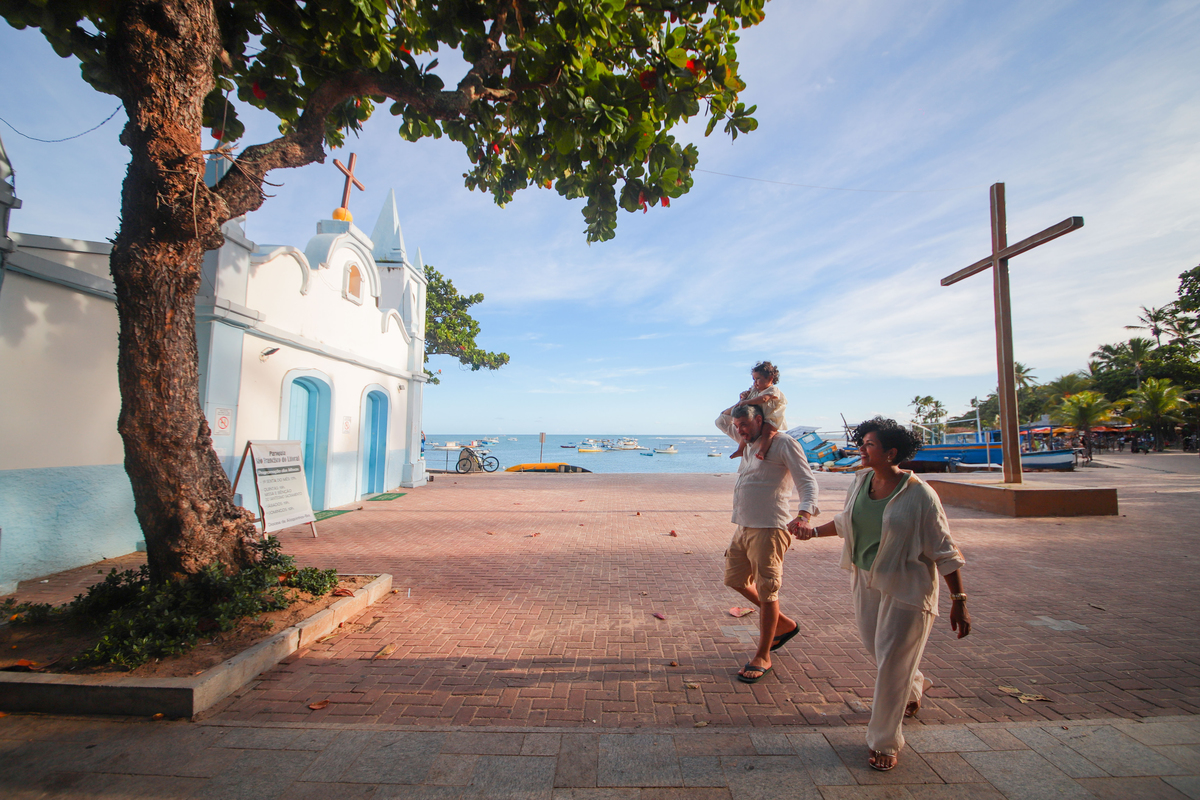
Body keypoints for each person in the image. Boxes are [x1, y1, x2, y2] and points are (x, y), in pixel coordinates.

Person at [789, 417, 970, 772]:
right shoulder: (861, 480)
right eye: (863, 443)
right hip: (865, 578)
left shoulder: (919, 494)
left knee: (890, 663)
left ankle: (884, 740)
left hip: (908, 585)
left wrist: (959, 602)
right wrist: (811, 533)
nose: (861, 450)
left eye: (869, 445)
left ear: (891, 453)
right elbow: (846, 522)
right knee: (879, 649)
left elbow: (944, 550)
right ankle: (913, 686)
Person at [716, 401, 818, 684]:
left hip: (770, 528)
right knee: (734, 579)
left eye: (745, 425)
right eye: (737, 427)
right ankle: (784, 624)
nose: (740, 431)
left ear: (761, 420)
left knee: (768, 591)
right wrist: (744, 400)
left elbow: (807, 482)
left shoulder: (783, 443)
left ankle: (763, 655)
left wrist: (803, 515)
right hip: (744, 526)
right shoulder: (748, 442)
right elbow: (720, 420)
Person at [729, 361, 788, 460]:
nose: (755, 382)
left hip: (771, 417)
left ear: (770, 379)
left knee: (767, 432)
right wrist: (744, 395)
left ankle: (762, 451)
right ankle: (740, 450)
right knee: (747, 431)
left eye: (758, 379)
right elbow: (748, 393)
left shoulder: (772, 390)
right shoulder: (756, 389)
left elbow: (764, 399)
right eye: (754, 379)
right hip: (760, 416)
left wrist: (748, 402)